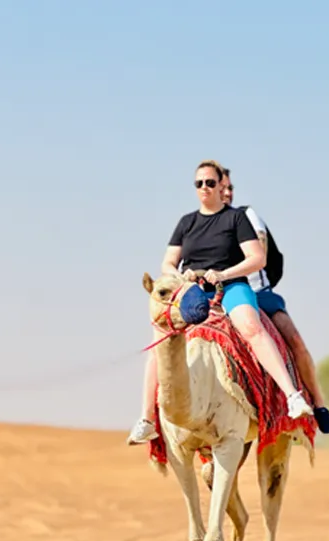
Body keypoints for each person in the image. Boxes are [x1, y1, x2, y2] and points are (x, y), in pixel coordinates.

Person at [127, 160, 313, 444]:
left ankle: (292, 396)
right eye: (199, 183)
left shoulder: (236, 219)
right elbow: (168, 261)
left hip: (231, 286)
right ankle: (147, 419)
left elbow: (257, 258)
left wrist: (224, 273)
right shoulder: (186, 222)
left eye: (210, 183)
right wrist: (179, 275)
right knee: (162, 339)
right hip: (193, 291)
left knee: (252, 328)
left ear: (220, 185)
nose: (204, 188)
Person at [221, 168, 329, 434]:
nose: (226, 192)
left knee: (294, 340)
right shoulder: (201, 226)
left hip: (257, 293)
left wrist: (262, 284)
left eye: (230, 187)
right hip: (219, 295)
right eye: (220, 187)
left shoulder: (246, 216)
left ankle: (317, 403)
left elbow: (268, 255)